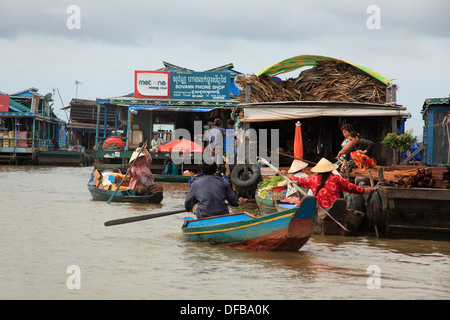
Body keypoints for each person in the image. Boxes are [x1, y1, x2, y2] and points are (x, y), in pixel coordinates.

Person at [287, 158, 373, 209]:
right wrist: (365, 190)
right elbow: (351, 187)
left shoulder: (312, 178)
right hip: (334, 208)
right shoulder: (336, 178)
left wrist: (287, 175)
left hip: (319, 208)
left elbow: (299, 181)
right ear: (331, 169)